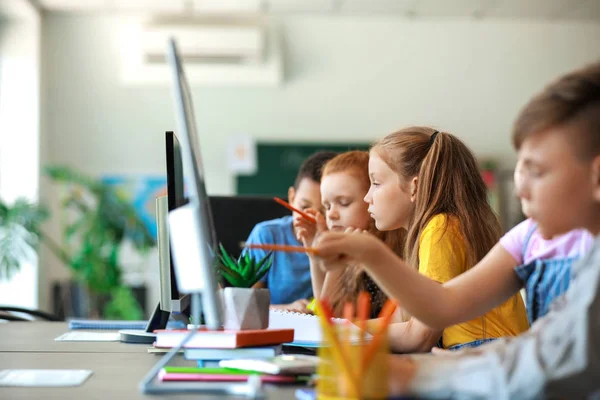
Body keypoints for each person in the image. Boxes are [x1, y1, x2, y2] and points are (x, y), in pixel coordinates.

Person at [315, 61, 600, 398]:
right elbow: (444, 304)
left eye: (537, 172)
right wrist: (369, 254)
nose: (521, 191)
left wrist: (423, 374)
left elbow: (559, 359)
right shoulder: (528, 237)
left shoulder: (441, 227)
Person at [295, 151, 404, 318]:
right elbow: (325, 310)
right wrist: (313, 252)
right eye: (327, 206)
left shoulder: (388, 254)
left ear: (371, 198)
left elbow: (328, 318)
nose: (331, 214)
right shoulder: (352, 245)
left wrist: (337, 264)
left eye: (343, 203)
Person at [243, 150, 337, 313]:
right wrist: (286, 308)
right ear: (292, 198)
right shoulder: (267, 235)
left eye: (324, 210)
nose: (311, 218)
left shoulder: (346, 242)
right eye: (304, 207)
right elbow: (243, 305)